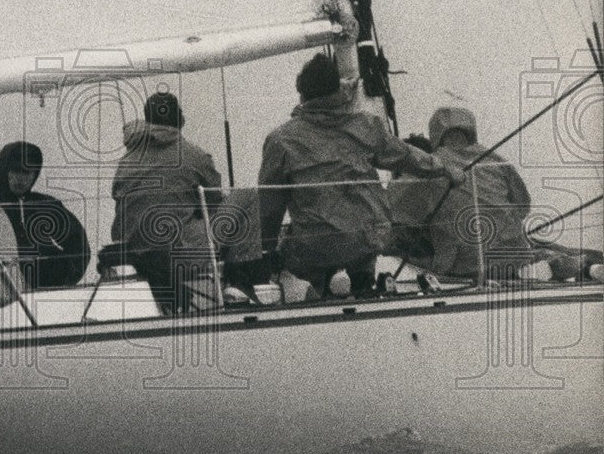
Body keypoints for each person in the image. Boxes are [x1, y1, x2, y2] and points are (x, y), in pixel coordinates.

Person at [258, 54, 463, 299]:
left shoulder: (281, 140)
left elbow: (269, 208)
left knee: (288, 261)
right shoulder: (366, 125)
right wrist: (445, 169)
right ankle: (362, 283)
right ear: (336, 89)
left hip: (316, 245)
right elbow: (406, 156)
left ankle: (320, 292)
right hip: (367, 241)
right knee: (361, 241)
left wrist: (266, 250)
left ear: (302, 95)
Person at [393, 107, 602, 281]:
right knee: (535, 252)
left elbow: (395, 217)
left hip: (467, 265)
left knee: (432, 256)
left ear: (436, 134)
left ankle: (555, 267)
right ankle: (585, 267)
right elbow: (523, 206)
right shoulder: (496, 160)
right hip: (514, 252)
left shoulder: (431, 168)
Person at [112, 90, 222, 314]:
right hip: (176, 255)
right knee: (242, 204)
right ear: (180, 118)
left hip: (132, 253)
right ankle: (242, 284)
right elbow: (214, 204)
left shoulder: (127, 159)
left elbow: (117, 197)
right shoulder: (194, 155)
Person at [0, 141, 89, 289]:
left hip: (47, 292)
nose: (21, 178)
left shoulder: (46, 205)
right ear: (5, 171)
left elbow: (79, 244)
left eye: (27, 172)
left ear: (34, 175)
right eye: (16, 171)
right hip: (4, 291)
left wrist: (63, 280)